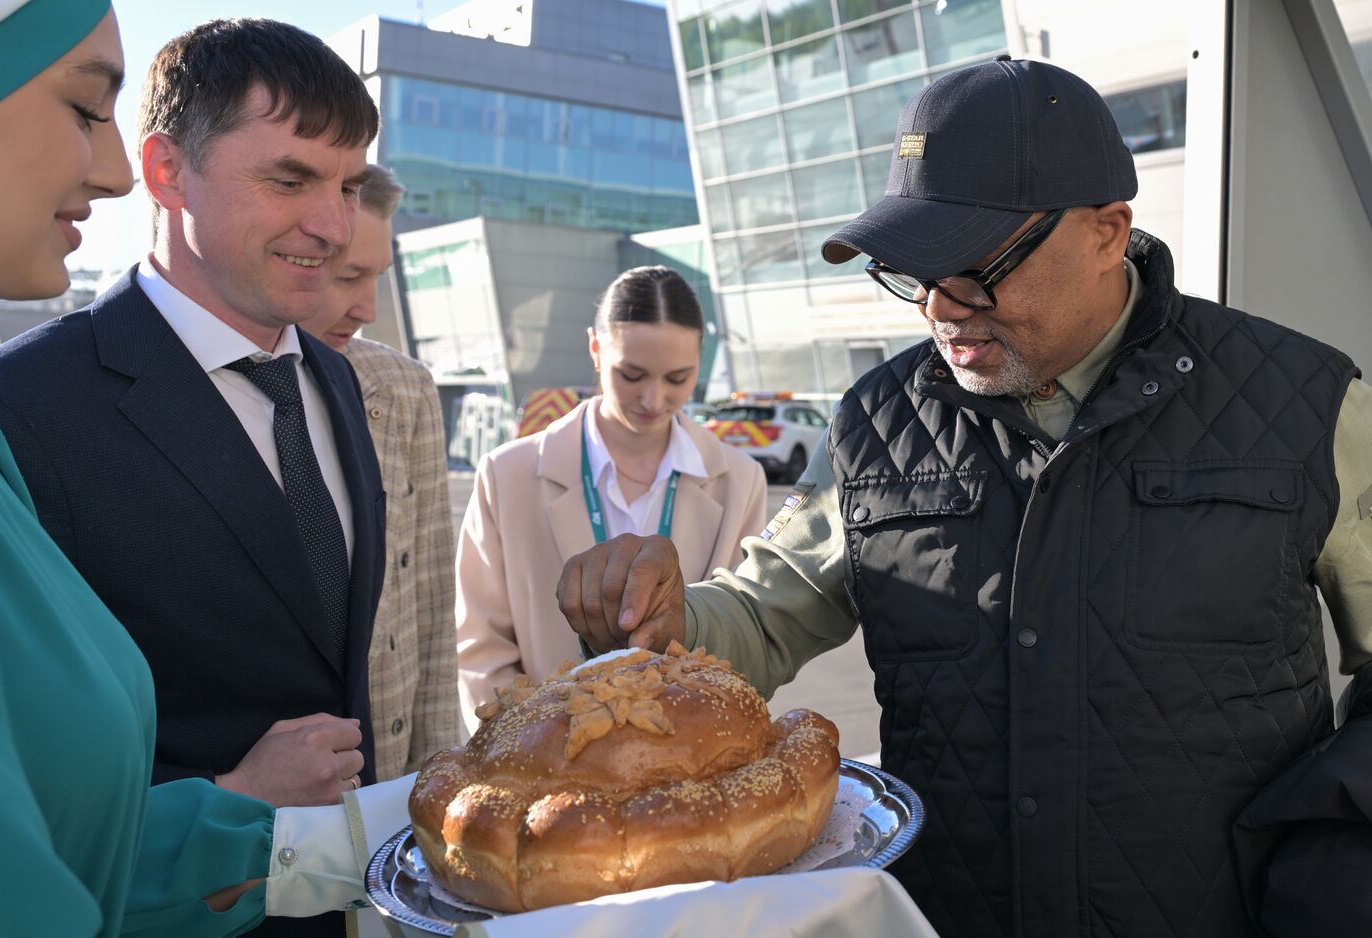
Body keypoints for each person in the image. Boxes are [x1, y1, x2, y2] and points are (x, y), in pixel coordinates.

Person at [556, 57, 1372, 937]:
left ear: (1107, 232)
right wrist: (664, 616)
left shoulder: (1310, 404)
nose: (941, 307)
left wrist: (1338, 875)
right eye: (910, 269)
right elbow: (759, 618)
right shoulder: (874, 423)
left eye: (978, 266)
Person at [0, 3, 407, 934]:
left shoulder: (340, 380)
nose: (332, 226)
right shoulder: (19, 410)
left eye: (349, 185)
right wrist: (232, 796)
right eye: (290, 179)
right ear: (168, 171)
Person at [455, 266, 767, 730]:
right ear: (595, 349)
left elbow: (746, 629)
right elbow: (482, 646)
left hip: (683, 752)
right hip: (551, 760)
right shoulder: (507, 474)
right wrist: (526, 747)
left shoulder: (740, 479)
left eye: (678, 378)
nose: (653, 399)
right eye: (632, 374)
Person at [300, 164, 461, 779]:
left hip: (392, 781)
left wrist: (439, 774)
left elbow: (430, 599)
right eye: (348, 277)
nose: (366, 307)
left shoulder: (403, 387)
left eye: (376, 278)